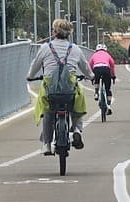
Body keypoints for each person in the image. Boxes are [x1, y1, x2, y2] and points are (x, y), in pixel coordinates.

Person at [27, 18, 92, 155]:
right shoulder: (75, 49)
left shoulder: (45, 48)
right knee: (78, 106)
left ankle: (47, 144)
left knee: (47, 111)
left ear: (55, 32)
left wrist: (30, 76)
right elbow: (86, 69)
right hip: (69, 90)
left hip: (51, 91)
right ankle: (77, 130)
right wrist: (91, 76)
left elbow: (35, 65)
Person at [89, 42, 116, 115]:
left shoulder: (94, 55)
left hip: (96, 68)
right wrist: (113, 76)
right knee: (108, 89)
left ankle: (96, 93)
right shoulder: (107, 55)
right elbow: (112, 64)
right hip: (106, 69)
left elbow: (90, 65)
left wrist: (91, 77)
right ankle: (109, 105)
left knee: (97, 80)